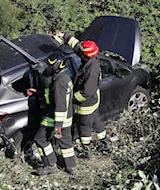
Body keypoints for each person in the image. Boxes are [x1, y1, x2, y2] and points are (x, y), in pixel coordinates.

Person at [53, 32, 110, 160]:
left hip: (86, 104)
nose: (81, 51)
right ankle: (105, 144)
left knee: (84, 128)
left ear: (87, 55)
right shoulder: (91, 58)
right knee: (97, 122)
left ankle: (86, 152)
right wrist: (65, 36)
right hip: (93, 101)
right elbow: (78, 46)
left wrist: (72, 98)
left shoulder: (92, 70)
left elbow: (86, 92)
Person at [32, 52, 77, 176]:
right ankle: (71, 167)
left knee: (40, 139)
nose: (48, 67)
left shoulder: (59, 83)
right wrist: (38, 92)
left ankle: (50, 165)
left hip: (56, 118)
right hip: (67, 118)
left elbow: (60, 105)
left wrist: (58, 127)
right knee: (66, 142)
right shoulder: (65, 78)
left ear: (58, 65)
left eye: (51, 66)